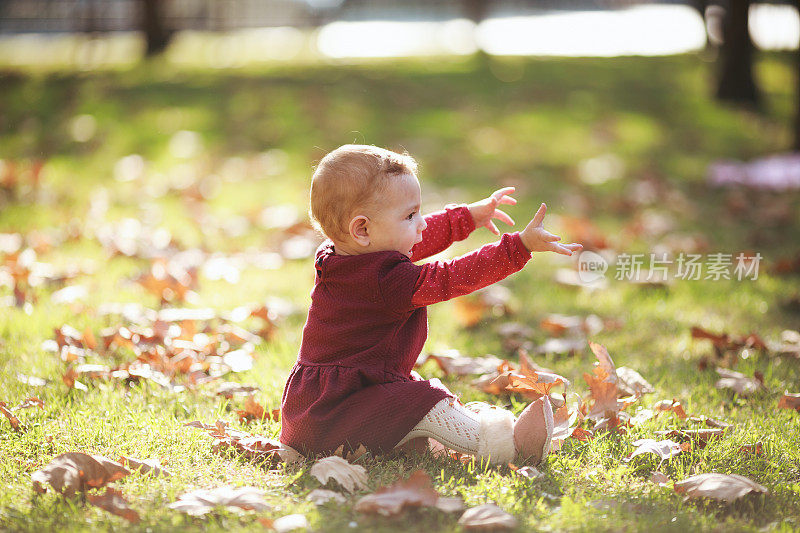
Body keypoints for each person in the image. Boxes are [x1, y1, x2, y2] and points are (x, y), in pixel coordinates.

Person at [279, 145, 582, 465]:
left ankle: (414, 440)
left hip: (316, 409)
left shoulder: (336, 254)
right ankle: (507, 445)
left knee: (413, 395)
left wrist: (465, 218)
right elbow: (453, 277)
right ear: (363, 229)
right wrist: (518, 247)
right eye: (410, 215)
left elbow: (414, 240)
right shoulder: (388, 281)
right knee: (425, 400)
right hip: (337, 414)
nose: (421, 224)